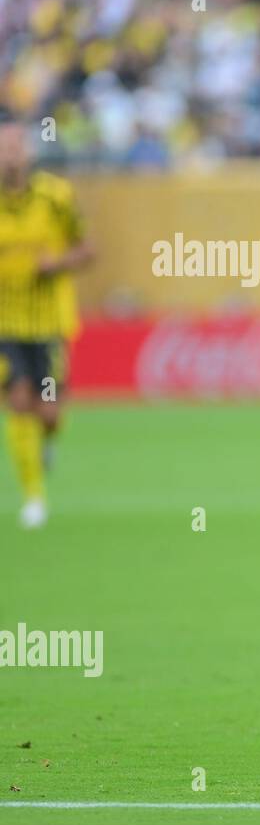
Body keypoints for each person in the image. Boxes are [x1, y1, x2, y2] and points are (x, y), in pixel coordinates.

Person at [0, 115, 94, 529]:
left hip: (49, 324)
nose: (10, 154)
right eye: (4, 147)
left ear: (30, 152)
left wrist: (55, 263)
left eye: (16, 146)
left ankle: (48, 443)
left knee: (50, 412)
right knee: (18, 400)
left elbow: (88, 249)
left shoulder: (56, 197)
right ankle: (34, 498)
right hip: (5, 326)